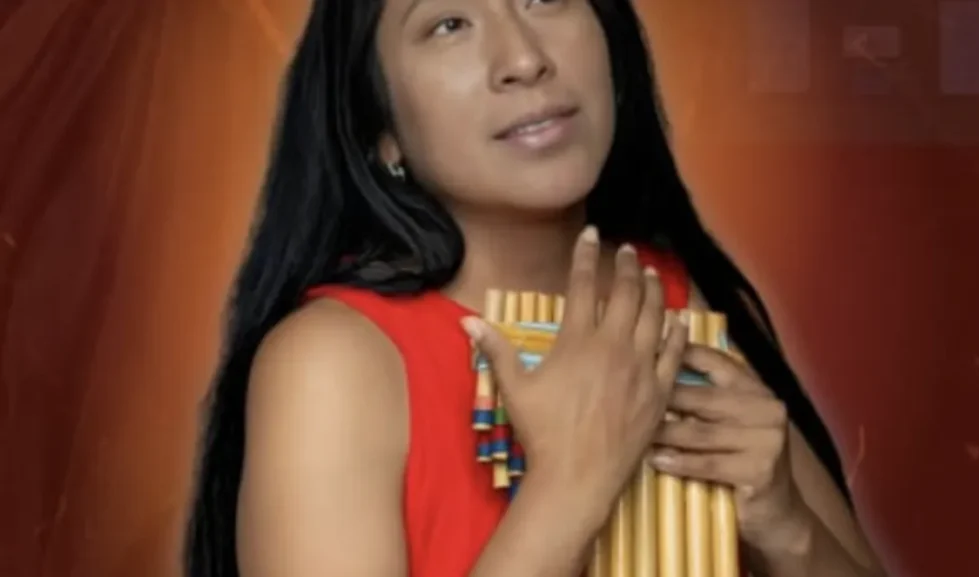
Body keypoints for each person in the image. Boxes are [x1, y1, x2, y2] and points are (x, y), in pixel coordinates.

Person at [184, 0, 887, 576]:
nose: (524, 58)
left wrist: (787, 529)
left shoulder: (663, 297)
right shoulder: (331, 363)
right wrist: (569, 484)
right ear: (381, 130)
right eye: (448, 24)